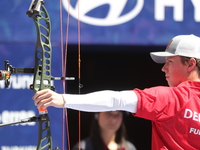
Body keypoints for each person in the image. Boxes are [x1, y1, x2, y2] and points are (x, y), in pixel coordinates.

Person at [33, 34, 200, 150]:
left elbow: (116, 99)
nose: (164, 68)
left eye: (170, 61)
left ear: (191, 64)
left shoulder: (172, 99)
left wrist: (63, 99)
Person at [72, 111, 137, 150]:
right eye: (108, 113)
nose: (113, 119)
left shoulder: (129, 148)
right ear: (97, 115)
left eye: (118, 114)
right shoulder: (83, 147)